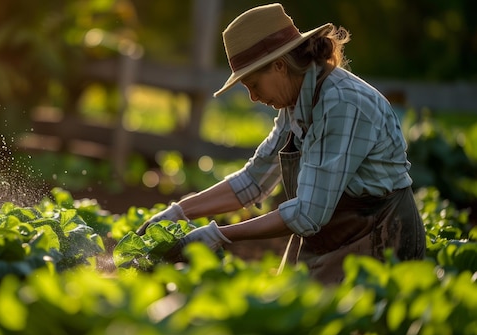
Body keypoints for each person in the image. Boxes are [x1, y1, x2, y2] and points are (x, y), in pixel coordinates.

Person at [136, 3, 425, 285]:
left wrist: (220, 234)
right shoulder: (295, 102)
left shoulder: (342, 103)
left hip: (378, 237)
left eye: (253, 85)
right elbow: (253, 181)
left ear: (279, 66)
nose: (252, 97)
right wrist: (178, 212)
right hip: (329, 233)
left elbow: (308, 214)